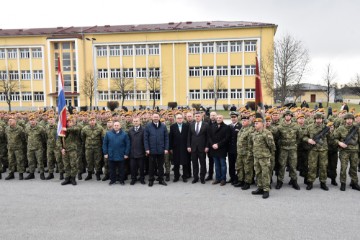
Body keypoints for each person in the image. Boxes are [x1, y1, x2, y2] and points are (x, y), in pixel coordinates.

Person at [303, 113, 331, 191]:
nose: (319, 120)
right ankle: (310, 182)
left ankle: (323, 182)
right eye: (317, 119)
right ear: (315, 119)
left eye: (320, 119)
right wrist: (308, 140)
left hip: (323, 150)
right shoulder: (309, 127)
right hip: (313, 150)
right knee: (312, 166)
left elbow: (330, 138)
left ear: (322, 119)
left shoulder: (326, 128)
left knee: (323, 166)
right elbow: (304, 136)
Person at [249, 118, 276, 199]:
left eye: (257, 123)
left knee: (265, 173)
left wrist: (268, 154)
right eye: (255, 123)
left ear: (262, 124)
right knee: (258, 172)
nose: (255, 124)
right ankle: (260, 187)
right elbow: (251, 144)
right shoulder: (254, 133)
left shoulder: (267, 133)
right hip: (256, 156)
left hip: (264, 157)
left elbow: (271, 146)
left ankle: (266, 190)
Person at [333, 113, 360, 191]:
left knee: (354, 167)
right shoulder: (340, 128)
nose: (349, 120)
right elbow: (334, 138)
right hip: (344, 151)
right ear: (345, 120)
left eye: (351, 119)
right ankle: (343, 183)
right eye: (347, 119)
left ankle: (354, 183)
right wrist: (339, 143)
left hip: (354, 151)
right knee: (343, 168)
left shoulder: (357, 128)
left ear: (353, 120)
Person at [144, 113, 169, 187]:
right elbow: (145, 139)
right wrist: (147, 148)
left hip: (161, 149)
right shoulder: (148, 126)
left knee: (161, 166)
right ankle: (151, 180)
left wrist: (166, 148)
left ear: (159, 118)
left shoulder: (163, 126)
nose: (155, 118)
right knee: (151, 166)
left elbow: (166, 138)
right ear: (152, 117)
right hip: (151, 150)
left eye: (157, 117)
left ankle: (161, 179)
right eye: (154, 117)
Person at [187, 112, 209, 184]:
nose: (197, 117)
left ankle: (202, 178)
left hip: (202, 148)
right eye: (196, 116)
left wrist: (207, 146)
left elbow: (208, 137)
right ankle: (195, 177)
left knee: (203, 163)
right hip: (193, 148)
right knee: (194, 163)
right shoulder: (191, 125)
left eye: (198, 116)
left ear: (201, 117)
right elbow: (189, 136)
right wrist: (188, 146)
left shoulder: (206, 125)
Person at [208, 115, 230, 186]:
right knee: (216, 165)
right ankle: (217, 178)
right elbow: (209, 137)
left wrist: (218, 145)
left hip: (221, 148)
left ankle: (223, 179)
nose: (218, 119)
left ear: (222, 119)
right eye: (217, 118)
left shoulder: (226, 127)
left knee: (223, 165)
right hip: (214, 148)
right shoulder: (212, 126)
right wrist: (212, 144)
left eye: (220, 118)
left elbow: (226, 138)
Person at [81, 116, 104, 181]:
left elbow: (102, 138)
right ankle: (89, 174)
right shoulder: (85, 128)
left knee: (97, 161)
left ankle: (98, 174)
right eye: (91, 120)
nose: (92, 122)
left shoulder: (100, 128)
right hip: (88, 147)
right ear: (89, 121)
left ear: (95, 121)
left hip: (97, 147)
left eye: (93, 120)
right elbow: (82, 137)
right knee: (89, 161)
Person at [24, 115, 46, 180]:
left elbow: (44, 137)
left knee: (40, 161)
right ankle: (31, 174)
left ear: (36, 120)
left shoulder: (40, 128)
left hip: (38, 147)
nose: (32, 122)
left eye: (33, 120)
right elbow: (26, 137)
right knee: (30, 161)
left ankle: (42, 173)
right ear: (29, 121)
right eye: (31, 120)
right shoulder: (27, 128)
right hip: (30, 147)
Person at [169, 113, 190, 182]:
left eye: (181, 118)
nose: (179, 119)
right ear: (175, 119)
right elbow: (170, 138)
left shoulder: (186, 126)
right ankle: (176, 176)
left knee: (185, 162)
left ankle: (184, 176)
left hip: (184, 147)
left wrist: (188, 146)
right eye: (178, 118)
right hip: (175, 148)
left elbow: (188, 138)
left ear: (183, 119)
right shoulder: (172, 126)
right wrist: (170, 148)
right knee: (176, 163)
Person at [60, 116, 81, 186]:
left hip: (72, 150)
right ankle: (67, 178)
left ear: (73, 123)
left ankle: (73, 178)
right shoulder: (62, 131)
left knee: (73, 164)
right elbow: (58, 140)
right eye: (68, 122)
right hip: (65, 150)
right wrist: (61, 148)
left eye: (70, 122)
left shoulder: (75, 129)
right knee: (66, 165)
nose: (69, 123)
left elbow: (76, 129)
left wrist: (66, 129)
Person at [4, 115, 26, 180]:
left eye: (11, 120)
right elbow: (6, 137)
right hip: (10, 148)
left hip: (18, 148)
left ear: (15, 121)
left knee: (19, 160)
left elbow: (23, 138)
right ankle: (11, 174)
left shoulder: (20, 129)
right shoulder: (7, 129)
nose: (9, 122)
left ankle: (20, 173)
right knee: (11, 161)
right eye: (9, 120)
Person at [128, 117, 146, 185]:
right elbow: (128, 141)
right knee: (133, 167)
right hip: (132, 152)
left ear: (140, 122)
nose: (135, 122)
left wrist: (145, 150)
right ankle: (133, 179)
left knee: (141, 167)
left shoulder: (144, 130)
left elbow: (145, 141)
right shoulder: (130, 130)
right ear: (132, 122)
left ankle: (142, 178)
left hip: (141, 152)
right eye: (134, 121)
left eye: (137, 121)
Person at [227, 111, 241, 185]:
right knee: (231, 164)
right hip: (230, 149)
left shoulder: (240, 126)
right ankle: (232, 177)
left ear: (237, 117)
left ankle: (237, 178)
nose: (233, 119)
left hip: (237, 149)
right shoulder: (229, 126)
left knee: (238, 164)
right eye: (232, 117)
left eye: (234, 117)